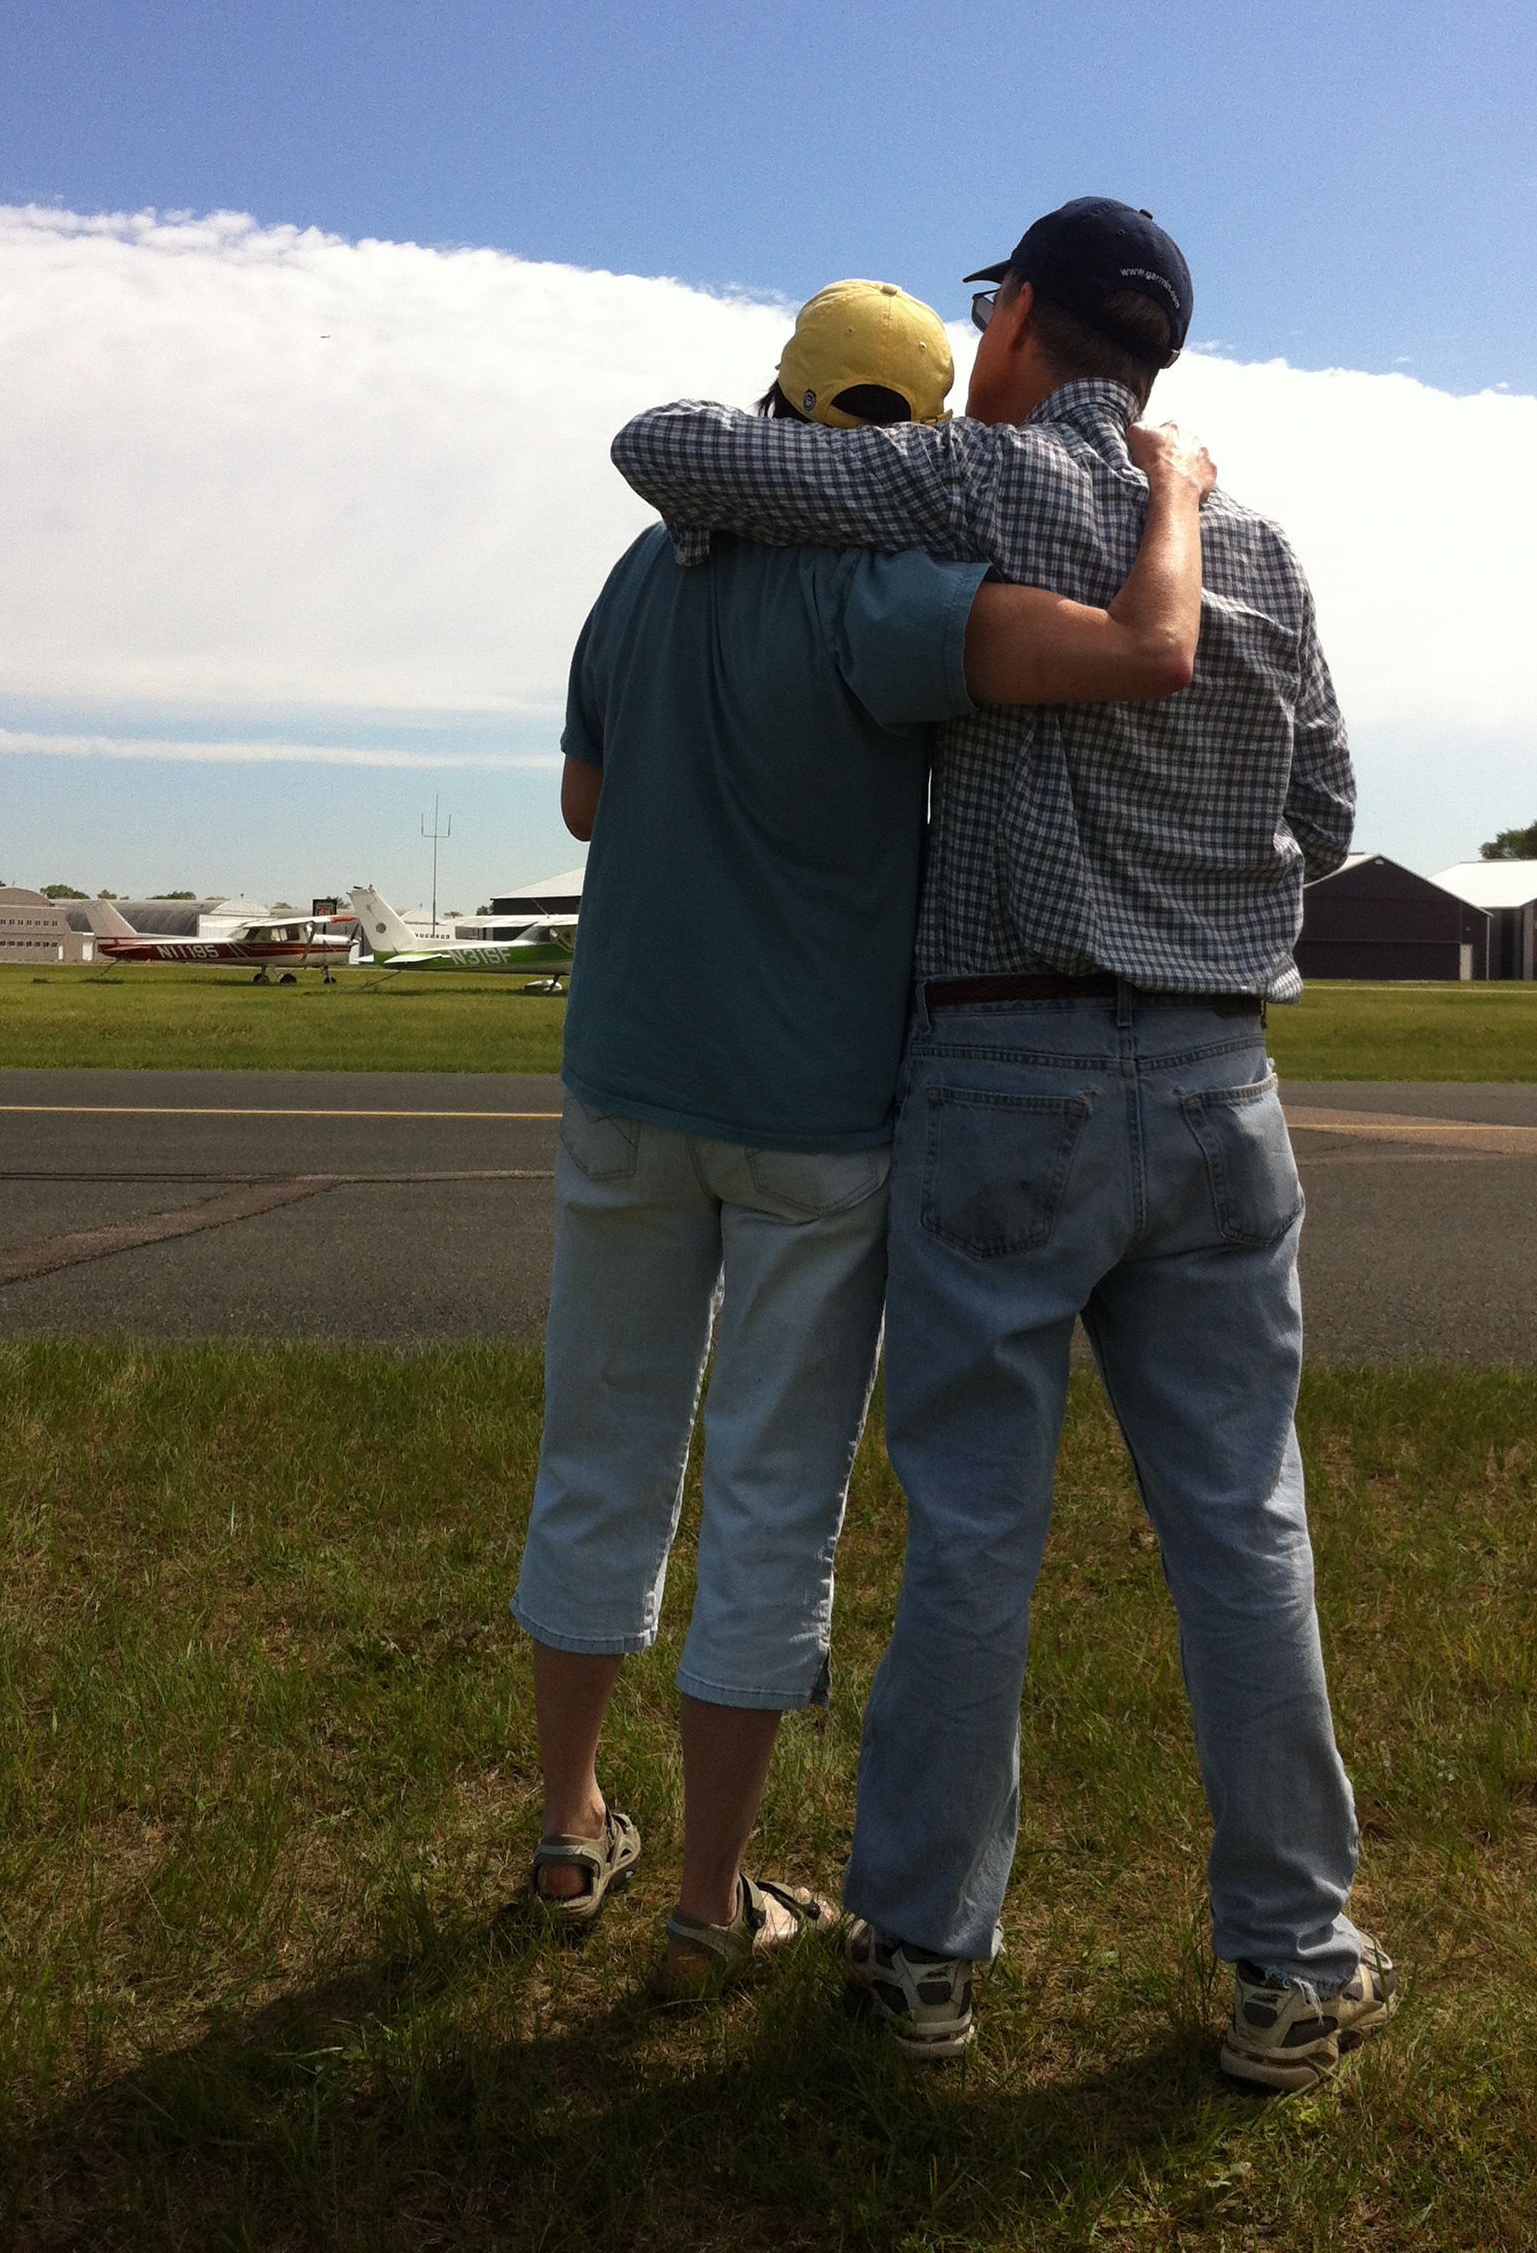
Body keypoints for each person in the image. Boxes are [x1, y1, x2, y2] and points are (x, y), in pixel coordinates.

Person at [612, 199, 1396, 2090]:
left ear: (1020, 316)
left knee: (975, 1531)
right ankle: (1295, 1953)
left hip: (1000, 1065)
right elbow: (1336, 814)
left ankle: (926, 1951)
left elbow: (659, 452)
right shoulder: (1259, 549)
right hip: (1222, 1087)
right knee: (1247, 1526)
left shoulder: (962, 486)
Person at [513, 276, 1211, 2000]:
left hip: (627, 1083)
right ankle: (709, 1892)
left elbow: (587, 800)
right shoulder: (894, 593)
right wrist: (1176, 498)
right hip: (820, 1112)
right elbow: (1131, 654)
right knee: (773, 1497)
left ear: (782, 396)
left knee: (599, 1456)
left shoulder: (645, 564)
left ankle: (562, 1823)